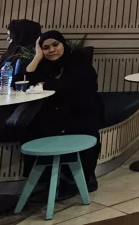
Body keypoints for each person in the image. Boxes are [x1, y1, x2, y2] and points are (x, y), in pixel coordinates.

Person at [24, 31, 104, 191]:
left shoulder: (79, 62)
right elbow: (26, 81)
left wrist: (45, 85)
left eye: (55, 45)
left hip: (83, 109)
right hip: (56, 110)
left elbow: (71, 86)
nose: (51, 50)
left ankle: (83, 175)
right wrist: (37, 56)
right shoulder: (44, 66)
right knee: (33, 129)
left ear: (63, 45)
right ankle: (46, 178)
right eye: (46, 48)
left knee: (83, 129)